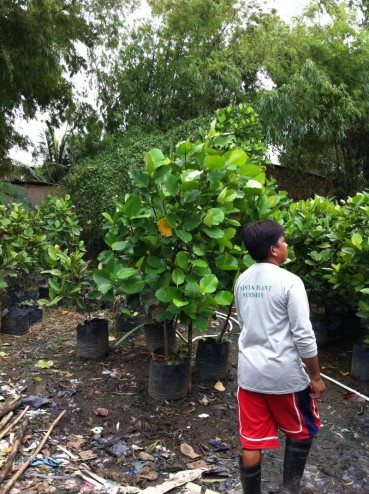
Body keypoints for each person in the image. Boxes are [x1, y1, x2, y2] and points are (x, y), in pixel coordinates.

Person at [234, 220, 325, 494]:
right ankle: (289, 489)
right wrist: (316, 377)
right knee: (303, 431)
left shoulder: (242, 280)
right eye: (284, 242)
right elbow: (304, 335)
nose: (286, 246)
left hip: (249, 376)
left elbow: (244, 325)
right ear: (274, 250)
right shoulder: (290, 282)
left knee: (251, 441)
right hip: (285, 377)